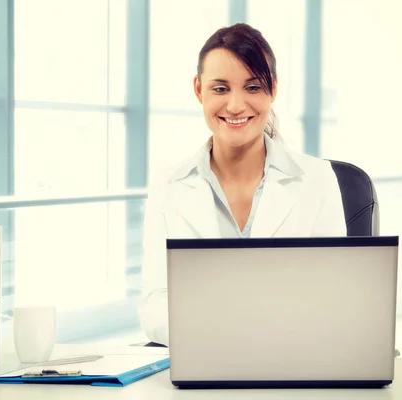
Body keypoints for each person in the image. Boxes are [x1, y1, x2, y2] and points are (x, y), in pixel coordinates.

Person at [139, 23, 346, 346]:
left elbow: (334, 297)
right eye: (220, 89)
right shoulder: (169, 184)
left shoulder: (317, 179)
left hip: (292, 361)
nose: (235, 106)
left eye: (252, 87)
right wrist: (224, 332)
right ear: (199, 90)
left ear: (273, 89)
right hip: (203, 358)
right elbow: (154, 306)